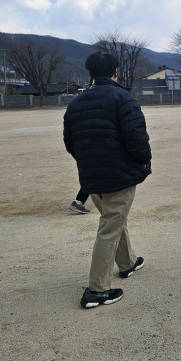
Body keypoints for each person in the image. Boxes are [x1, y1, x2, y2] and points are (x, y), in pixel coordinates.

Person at [63, 52, 152, 308]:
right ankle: (97, 289)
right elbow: (137, 139)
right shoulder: (123, 98)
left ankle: (127, 263)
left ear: (89, 73)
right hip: (120, 175)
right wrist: (142, 164)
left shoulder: (75, 102)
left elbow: (70, 143)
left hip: (92, 176)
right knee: (110, 227)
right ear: (115, 72)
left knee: (115, 219)